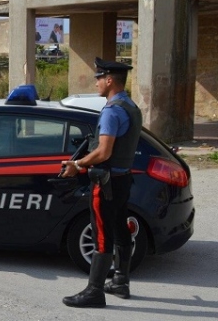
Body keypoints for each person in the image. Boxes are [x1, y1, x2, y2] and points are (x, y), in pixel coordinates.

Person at [59, 57, 142, 308]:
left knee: (102, 237)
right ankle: (120, 281)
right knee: (120, 229)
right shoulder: (130, 107)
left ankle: (94, 292)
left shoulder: (111, 111)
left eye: (98, 78)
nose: (96, 83)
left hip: (106, 183)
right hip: (122, 179)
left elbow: (104, 152)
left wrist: (78, 164)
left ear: (109, 80)